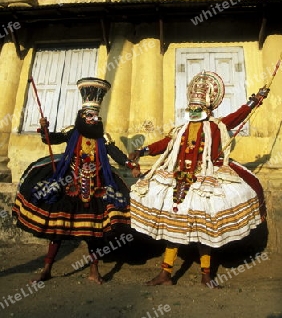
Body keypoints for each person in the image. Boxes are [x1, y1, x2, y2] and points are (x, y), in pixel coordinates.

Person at [128, 70, 268, 287]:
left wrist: (254, 100)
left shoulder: (216, 126)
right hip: (177, 181)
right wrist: (143, 151)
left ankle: (206, 275)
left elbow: (237, 117)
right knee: (173, 228)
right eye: (191, 108)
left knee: (205, 232)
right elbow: (164, 144)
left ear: (207, 108)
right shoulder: (181, 129)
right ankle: (165, 274)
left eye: (198, 108)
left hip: (204, 182)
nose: (193, 110)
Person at [13, 77, 140, 284]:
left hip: (96, 185)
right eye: (88, 115)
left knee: (94, 232)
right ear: (81, 115)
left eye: (95, 116)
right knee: (58, 229)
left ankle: (94, 271)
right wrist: (44, 128)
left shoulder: (102, 138)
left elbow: (115, 154)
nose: (92, 119)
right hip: (68, 183)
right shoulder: (72, 132)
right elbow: (50, 139)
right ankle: (47, 268)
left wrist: (131, 165)